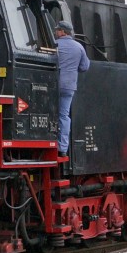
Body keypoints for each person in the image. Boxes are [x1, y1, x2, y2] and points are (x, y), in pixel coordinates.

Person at [54, 20, 89, 156]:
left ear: (63, 32)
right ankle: (62, 147)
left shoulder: (54, 45)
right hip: (69, 86)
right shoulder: (79, 47)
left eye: (57, 30)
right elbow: (84, 67)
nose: (55, 32)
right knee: (64, 115)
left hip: (53, 85)